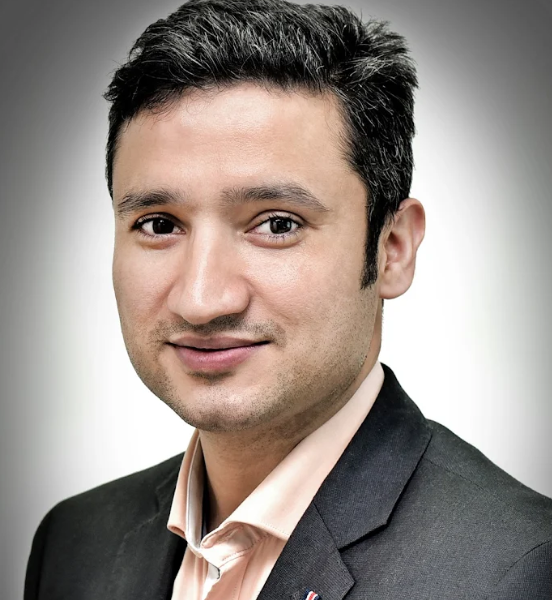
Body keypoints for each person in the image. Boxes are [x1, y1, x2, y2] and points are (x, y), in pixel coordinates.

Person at [24, 0, 552, 598]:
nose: (201, 299)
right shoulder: (73, 543)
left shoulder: (520, 571)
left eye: (277, 224)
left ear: (393, 249)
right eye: (159, 224)